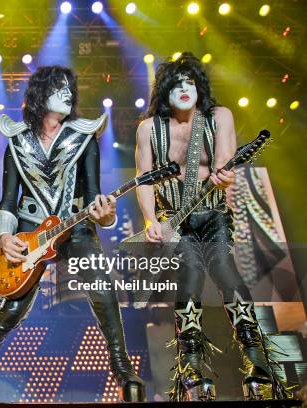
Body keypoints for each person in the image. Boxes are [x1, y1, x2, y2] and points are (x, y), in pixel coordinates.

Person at [0, 65, 145, 402]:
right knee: (7, 313)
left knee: (101, 286)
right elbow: (8, 200)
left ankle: (124, 372)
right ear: (41, 95)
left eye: (71, 87)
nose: (68, 93)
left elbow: (93, 197)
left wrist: (106, 216)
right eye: (60, 87)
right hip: (31, 233)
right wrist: (4, 238)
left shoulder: (84, 137)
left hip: (75, 226)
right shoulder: (17, 141)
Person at [134, 52, 288, 401]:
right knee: (189, 278)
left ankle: (256, 362)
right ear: (165, 91)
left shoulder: (219, 117)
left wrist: (224, 178)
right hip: (178, 223)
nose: (185, 88)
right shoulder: (148, 129)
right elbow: (143, 179)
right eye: (177, 83)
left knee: (225, 271)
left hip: (215, 215)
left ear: (200, 87)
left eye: (191, 82)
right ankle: (191, 369)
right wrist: (151, 220)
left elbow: (223, 165)